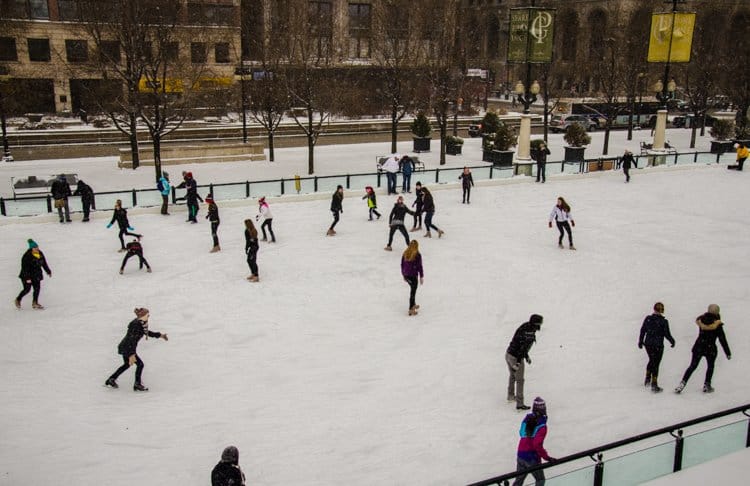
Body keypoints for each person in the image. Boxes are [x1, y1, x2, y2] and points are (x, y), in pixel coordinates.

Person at [105, 307, 168, 392]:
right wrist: (131, 354)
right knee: (140, 364)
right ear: (142, 316)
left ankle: (111, 379)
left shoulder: (140, 324)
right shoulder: (136, 325)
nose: (148, 316)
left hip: (126, 347)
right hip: (127, 347)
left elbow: (147, 332)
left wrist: (160, 335)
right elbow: (131, 340)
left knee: (127, 364)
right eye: (147, 315)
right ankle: (137, 384)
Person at [675, 304, 731, 394]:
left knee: (692, 366)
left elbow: (699, 318)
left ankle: (682, 383)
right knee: (710, 366)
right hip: (711, 348)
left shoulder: (702, 320)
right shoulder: (717, 325)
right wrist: (727, 352)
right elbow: (722, 339)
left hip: (699, 346)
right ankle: (707, 385)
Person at [512, 397, 556, 486]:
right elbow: (537, 444)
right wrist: (547, 457)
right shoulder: (542, 426)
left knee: (519, 480)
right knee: (540, 479)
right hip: (532, 457)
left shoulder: (527, 418)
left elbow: (521, 432)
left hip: (521, 454)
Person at [505, 314, 544, 410]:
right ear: (536, 324)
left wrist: (526, 356)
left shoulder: (525, 326)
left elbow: (520, 343)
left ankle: (510, 396)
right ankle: (520, 404)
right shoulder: (529, 334)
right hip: (516, 357)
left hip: (508, 354)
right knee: (520, 380)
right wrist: (518, 362)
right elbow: (522, 348)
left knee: (512, 376)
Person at [638, 302, 675, 392]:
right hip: (658, 345)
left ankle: (647, 378)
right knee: (656, 363)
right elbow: (666, 334)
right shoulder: (663, 321)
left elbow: (643, 330)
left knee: (652, 360)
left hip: (648, 344)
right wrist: (672, 341)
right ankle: (654, 383)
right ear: (662, 310)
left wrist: (640, 340)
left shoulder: (648, 319)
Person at [14, 239, 52, 310]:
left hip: (36, 274)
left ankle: (35, 303)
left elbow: (44, 263)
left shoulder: (40, 253)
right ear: (31, 248)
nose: (37, 249)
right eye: (35, 248)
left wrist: (48, 271)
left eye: (37, 247)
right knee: (27, 289)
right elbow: (25, 268)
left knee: (37, 288)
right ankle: (18, 299)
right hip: (26, 275)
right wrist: (27, 278)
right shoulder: (26, 256)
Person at [400, 240, 424, 316]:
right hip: (413, 276)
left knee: (412, 289)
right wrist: (421, 276)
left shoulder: (405, 253)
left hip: (407, 276)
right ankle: (411, 309)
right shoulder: (417, 255)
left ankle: (413, 304)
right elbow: (420, 266)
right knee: (413, 291)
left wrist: (403, 275)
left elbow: (402, 264)